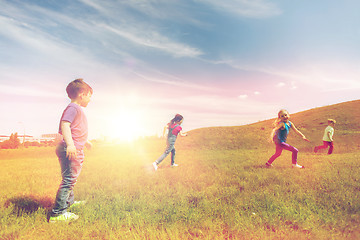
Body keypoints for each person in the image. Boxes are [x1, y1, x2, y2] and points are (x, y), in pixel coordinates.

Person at [49, 79, 93, 223]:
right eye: (89, 95)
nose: (90, 99)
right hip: (70, 149)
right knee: (69, 180)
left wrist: (84, 141)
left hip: (70, 147)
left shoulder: (75, 109)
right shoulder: (73, 108)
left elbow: (75, 129)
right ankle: (58, 214)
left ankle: (69, 202)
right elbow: (65, 125)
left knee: (69, 178)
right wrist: (71, 145)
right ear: (82, 94)